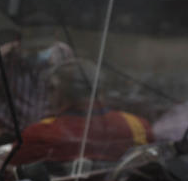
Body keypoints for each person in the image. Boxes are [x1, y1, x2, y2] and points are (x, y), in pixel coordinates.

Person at [11, 61, 153, 167]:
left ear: (58, 91)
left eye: (50, 90)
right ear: (101, 91)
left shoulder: (38, 134)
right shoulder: (138, 125)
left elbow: (8, 180)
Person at [0, 30, 48, 151]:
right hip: (6, 137)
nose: (39, 50)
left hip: (40, 137)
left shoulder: (61, 52)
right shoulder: (4, 56)